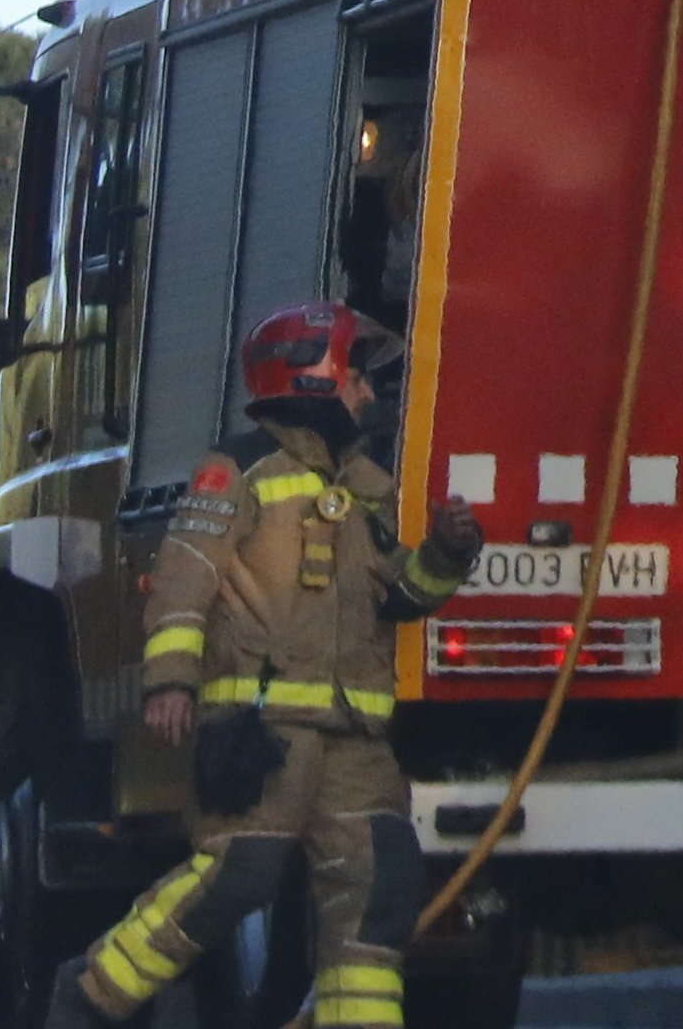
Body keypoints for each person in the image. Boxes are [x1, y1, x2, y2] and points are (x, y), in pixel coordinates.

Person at [53, 304, 482, 1029]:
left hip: (355, 743)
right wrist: (171, 683)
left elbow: (401, 600)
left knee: (378, 891)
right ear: (310, 377)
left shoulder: (369, 488)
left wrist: (447, 554)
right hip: (263, 734)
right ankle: (92, 998)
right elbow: (185, 576)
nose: (369, 396)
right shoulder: (239, 472)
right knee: (236, 875)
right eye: (356, 379)